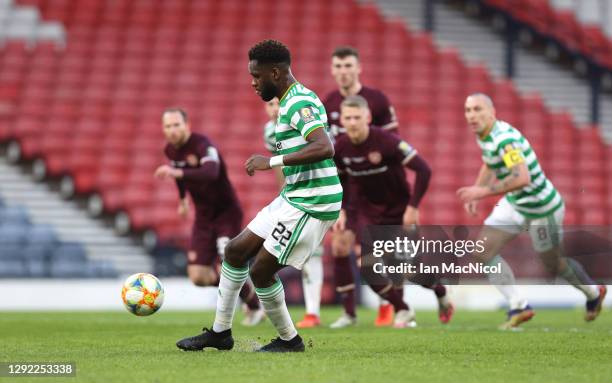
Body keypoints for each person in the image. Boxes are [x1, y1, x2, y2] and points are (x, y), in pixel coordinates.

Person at [176, 40, 341, 352]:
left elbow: (325, 146)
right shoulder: (287, 101)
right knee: (236, 251)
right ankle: (220, 333)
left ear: (275, 73)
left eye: (256, 76)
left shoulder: (298, 103)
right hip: (295, 195)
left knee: (261, 270)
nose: (252, 82)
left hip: (314, 201)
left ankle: (290, 341)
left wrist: (272, 162)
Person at [457, 93, 607, 329]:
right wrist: (478, 187)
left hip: (542, 209)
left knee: (554, 265)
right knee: (482, 251)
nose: (472, 115)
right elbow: (489, 161)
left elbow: (522, 177)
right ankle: (518, 306)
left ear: (492, 112)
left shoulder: (504, 140)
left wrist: (482, 193)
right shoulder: (485, 135)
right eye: (468, 110)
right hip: (516, 203)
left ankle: (593, 292)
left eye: (477, 109)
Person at [330, 95, 453, 328]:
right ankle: (403, 309)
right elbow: (341, 179)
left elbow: (424, 170)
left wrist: (413, 207)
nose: (353, 122)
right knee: (368, 268)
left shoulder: (387, 142)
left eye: (357, 117)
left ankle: (440, 290)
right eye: (348, 117)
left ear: (367, 117)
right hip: (368, 212)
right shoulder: (341, 148)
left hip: (399, 210)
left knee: (409, 270)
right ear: (342, 121)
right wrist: (343, 209)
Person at [154, 108, 263, 326]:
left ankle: (254, 306)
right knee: (198, 276)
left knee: (226, 263)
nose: (172, 130)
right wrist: (183, 198)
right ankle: (247, 293)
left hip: (226, 212)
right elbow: (180, 173)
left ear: (187, 125)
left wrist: (178, 174)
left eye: (176, 125)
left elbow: (211, 173)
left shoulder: (203, 145)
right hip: (203, 217)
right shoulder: (170, 151)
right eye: (168, 126)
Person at [323, 46, 400, 326]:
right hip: (345, 188)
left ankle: (388, 306)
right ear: (332, 70)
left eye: (348, 66)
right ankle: (349, 313)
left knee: (376, 252)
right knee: (341, 246)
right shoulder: (328, 102)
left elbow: (394, 145)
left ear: (359, 67)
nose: (343, 71)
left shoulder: (377, 100)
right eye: (339, 66)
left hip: (378, 188)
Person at [262, 97, 324, 328]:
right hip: (294, 197)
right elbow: (279, 165)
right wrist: (284, 192)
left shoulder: (300, 123)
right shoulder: (269, 132)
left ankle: (316, 312)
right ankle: (311, 312)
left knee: (322, 253)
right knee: (306, 254)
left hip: (317, 192)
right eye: (269, 105)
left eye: (277, 104)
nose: (274, 108)